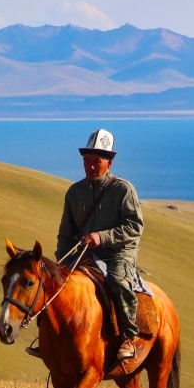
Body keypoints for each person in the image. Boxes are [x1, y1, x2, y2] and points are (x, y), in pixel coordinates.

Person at [55, 129, 144, 360]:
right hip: (84, 253)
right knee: (53, 285)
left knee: (118, 282)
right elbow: (66, 233)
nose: (91, 167)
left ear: (109, 163)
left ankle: (128, 337)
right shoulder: (75, 192)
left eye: (97, 161)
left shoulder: (123, 190)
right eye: (87, 161)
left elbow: (135, 227)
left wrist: (102, 237)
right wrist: (61, 263)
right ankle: (49, 339)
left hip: (118, 252)